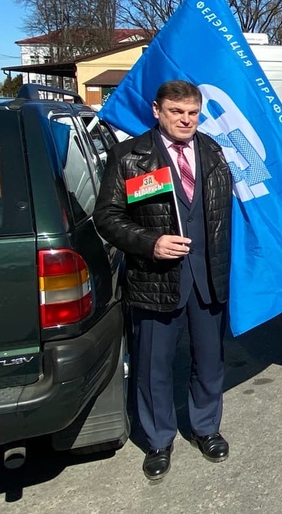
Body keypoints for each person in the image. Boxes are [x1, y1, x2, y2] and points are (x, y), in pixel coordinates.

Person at [95, 79, 233, 481]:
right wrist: (150, 242)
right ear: (157, 110)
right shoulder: (130, 157)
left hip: (208, 276)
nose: (186, 120)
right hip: (156, 280)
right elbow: (107, 216)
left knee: (209, 360)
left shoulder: (214, 151)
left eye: (192, 113)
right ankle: (158, 439)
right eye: (177, 112)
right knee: (153, 365)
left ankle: (206, 428)